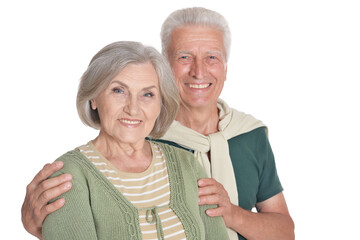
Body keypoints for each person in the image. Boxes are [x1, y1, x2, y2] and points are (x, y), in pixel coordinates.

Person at [22, 7, 294, 240]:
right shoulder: (92, 162)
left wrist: (230, 213)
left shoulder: (243, 137)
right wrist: (37, 224)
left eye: (212, 57)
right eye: (185, 56)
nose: (199, 71)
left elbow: (284, 229)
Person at [39, 41, 229, 240]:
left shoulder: (187, 164)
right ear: (94, 97)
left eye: (147, 94)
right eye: (119, 91)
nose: (133, 108)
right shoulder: (67, 175)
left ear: (160, 104)